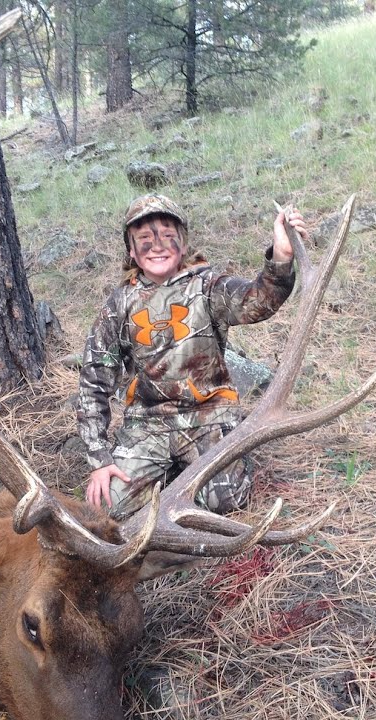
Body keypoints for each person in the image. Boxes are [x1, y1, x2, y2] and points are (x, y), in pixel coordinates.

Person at [76, 193, 309, 518]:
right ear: (131, 250)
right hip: (148, 423)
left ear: (183, 244)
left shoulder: (208, 286)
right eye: (144, 239)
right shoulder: (120, 304)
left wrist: (281, 256)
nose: (156, 246)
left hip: (208, 415)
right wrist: (100, 460)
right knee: (105, 509)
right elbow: (93, 382)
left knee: (227, 501)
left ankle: (197, 472)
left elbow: (261, 300)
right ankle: (173, 476)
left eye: (167, 236)